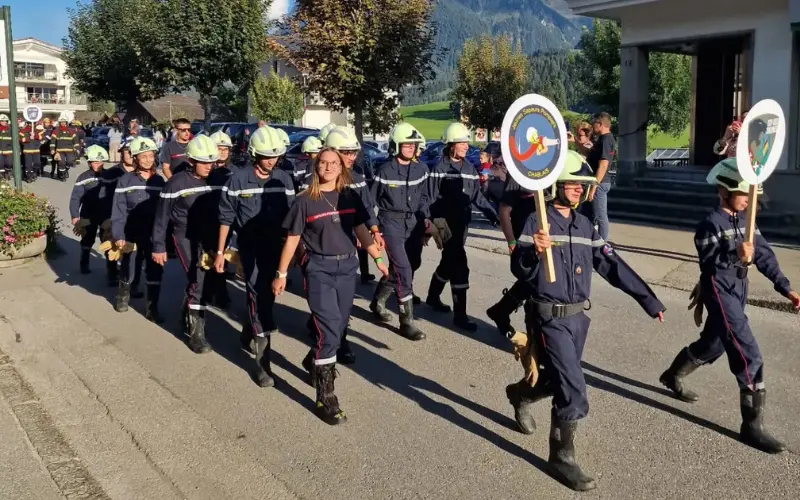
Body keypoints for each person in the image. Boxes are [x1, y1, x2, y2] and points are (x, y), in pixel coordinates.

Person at [509, 151, 665, 491]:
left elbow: (611, 265)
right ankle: (561, 458)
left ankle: (520, 395)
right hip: (548, 317)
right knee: (574, 389)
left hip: (578, 319)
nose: (580, 190)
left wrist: (648, 299)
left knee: (555, 382)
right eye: (574, 184)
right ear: (556, 185)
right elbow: (519, 271)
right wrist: (531, 252)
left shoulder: (584, 225)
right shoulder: (538, 220)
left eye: (584, 185)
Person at [659, 159, 800, 454]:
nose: (749, 199)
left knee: (713, 344)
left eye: (752, 195)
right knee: (748, 354)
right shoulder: (710, 224)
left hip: (739, 288)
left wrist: (786, 288)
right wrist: (735, 253)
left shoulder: (747, 221)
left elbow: (764, 256)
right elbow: (709, 263)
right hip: (719, 289)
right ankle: (752, 426)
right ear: (724, 191)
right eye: (743, 194)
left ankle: (673, 375)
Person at [272, 147, 389, 425]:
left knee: (338, 327)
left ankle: (313, 360)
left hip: (347, 268)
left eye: (333, 163)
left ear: (342, 167)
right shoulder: (304, 201)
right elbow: (291, 239)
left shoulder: (350, 196)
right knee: (329, 329)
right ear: (316, 167)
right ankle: (326, 396)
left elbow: (361, 229)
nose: (328, 167)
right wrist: (281, 273)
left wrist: (379, 258)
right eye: (323, 163)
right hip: (319, 270)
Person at [215, 126, 295, 388]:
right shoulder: (237, 181)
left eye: (275, 157)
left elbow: (293, 217)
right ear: (253, 154)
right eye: (266, 156)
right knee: (258, 297)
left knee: (268, 297)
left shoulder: (284, 179)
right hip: (250, 249)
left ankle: (250, 329)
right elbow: (226, 219)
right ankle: (263, 364)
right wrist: (220, 252)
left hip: (277, 248)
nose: (272, 161)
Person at [426, 122, 499, 330]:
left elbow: (477, 197)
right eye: (462, 143)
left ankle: (432, 297)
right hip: (446, 226)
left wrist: (494, 216)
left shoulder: (469, 169)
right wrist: (432, 222)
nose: (467, 146)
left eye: (467, 142)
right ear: (451, 146)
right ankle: (460, 316)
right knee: (460, 266)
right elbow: (430, 197)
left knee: (449, 262)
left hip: (463, 225)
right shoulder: (440, 169)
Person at [152, 135, 221, 353]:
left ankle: (187, 309)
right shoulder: (176, 182)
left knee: (206, 281)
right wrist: (158, 246)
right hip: (185, 236)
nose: (209, 167)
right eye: (204, 162)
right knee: (198, 279)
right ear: (191, 161)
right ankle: (196, 334)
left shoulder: (217, 179)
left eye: (212, 162)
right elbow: (161, 217)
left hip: (209, 236)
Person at [369, 123, 430, 341]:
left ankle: (377, 301)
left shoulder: (422, 170)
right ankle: (406, 322)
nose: (411, 148)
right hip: (390, 223)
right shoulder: (385, 170)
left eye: (413, 144)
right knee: (403, 268)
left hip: (413, 223)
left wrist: (426, 222)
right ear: (396, 145)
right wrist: (374, 228)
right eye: (406, 144)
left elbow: (425, 198)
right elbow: (370, 201)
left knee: (410, 265)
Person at [319, 126, 384, 285]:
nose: (352, 157)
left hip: (347, 247)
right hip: (320, 253)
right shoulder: (314, 181)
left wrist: (374, 230)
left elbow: (366, 206)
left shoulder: (357, 177)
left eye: (354, 152)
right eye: (347, 152)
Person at [110, 137, 166, 321]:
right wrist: (118, 235)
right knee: (129, 266)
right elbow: (118, 210)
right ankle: (123, 297)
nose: (148, 160)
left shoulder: (159, 181)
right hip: (131, 232)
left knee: (154, 269)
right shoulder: (125, 181)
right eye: (144, 157)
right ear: (135, 159)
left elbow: (165, 211)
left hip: (153, 235)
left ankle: (153, 309)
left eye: (151, 156)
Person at [485, 170, 537, 336]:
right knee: (534, 281)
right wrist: (511, 241)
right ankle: (535, 336)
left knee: (535, 280)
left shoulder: (548, 172)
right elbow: (504, 211)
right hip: (523, 237)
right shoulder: (518, 174)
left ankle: (500, 311)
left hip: (542, 236)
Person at [69, 145, 116, 282]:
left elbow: (117, 196)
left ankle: (112, 272)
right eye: (95, 162)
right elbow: (75, 198)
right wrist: (75, 216)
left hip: (106, 215)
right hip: (88, 215)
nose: (98, 165)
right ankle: (84, 263)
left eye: (100, 162)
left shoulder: (110, 176)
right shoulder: (82, 177)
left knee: (108, 242)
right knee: (87, 240)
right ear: (89, 163)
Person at [581, 112, 615, 241]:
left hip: (600, 183)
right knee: (590, 214)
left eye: (594, 122)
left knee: (600, 216)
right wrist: (575, 141)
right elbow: (589, 153)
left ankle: (602, 245)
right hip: (597, 183)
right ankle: (590, 240)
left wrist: (594, 187)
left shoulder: (606, 140)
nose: (592, 125)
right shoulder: (602, 139)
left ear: (600, 124)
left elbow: (603, 165)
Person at [50, 114, 79, 181]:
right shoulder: (56, 130)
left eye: (64, 122)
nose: (63, 123)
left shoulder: (71, 130)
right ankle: (62, 175)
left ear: (66, 122)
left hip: (70, 150)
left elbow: (75, 140)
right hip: (59, 151)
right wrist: (52, 149)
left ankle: (65, 170)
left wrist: (77, 149)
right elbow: (53, 141)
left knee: (70, 162)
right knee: (61, 163)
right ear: (59, 123)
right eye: (61, 122)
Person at [0, 114, 14, 180]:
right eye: (2, 121)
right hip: (0, 150)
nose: (3, 122)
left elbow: (15, 140)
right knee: (1, 164)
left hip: (8, 149)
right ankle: (2, 175)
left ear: (7, 121)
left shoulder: (11, 129)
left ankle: (8, 171)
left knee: (9, 163)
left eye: (5, 121)